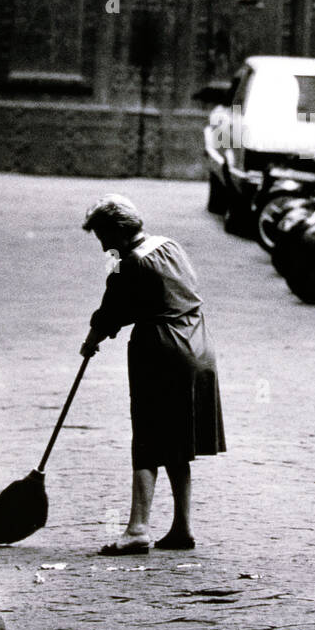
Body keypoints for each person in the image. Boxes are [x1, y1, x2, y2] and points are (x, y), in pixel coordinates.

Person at [80, 194, 226, 552]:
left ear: (115, 232)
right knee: (178, 442)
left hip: (161, 351)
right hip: (198, 346)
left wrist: (91, 340)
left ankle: (137, 529)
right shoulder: (170, 245)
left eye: (101, 236)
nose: (101, 245)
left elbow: (110, 311)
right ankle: (182, 527)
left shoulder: (124, 263)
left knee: (146, 437)